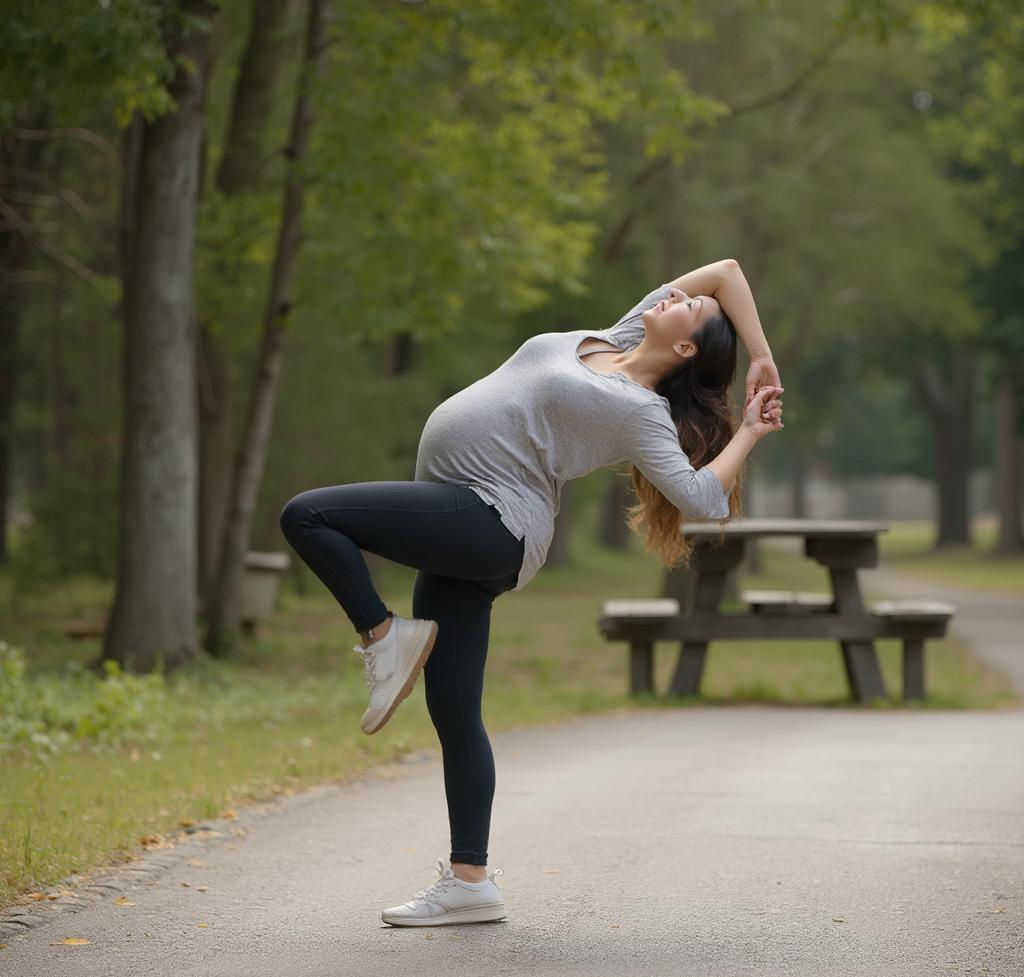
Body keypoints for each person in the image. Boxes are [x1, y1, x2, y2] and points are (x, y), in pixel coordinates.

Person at [278, 258, 784, 927]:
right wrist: (763, 358)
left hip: (492, 522)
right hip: (463, 519)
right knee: (454, 711)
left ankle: (383, 638)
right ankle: (470, 883)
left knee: (308, 515)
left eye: (687, 305)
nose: (674, 292)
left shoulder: (638, 411)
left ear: (684, 347)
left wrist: (748, 430)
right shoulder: (613, 336)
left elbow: (696, 496)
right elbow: (726, 271)